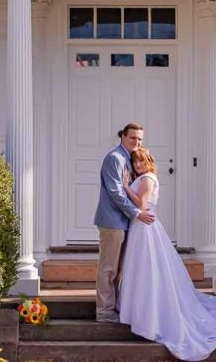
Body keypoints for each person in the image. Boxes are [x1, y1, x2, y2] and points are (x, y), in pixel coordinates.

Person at [118, 147, 216, 361]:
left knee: (149, 271)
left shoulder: (148, 179)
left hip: (145, 227)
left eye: (141, 162)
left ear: (148, 162)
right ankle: (142, 314)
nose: (138, 165)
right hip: (140, 226)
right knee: (143, 271)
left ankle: (151, 317)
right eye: (135, 162)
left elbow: (141, 204)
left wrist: (125, 186)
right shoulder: (143, 177)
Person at [95, 122, 153, 323]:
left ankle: (118, 307)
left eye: (139, 139)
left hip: (126, 222)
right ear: (123, 137)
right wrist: (137, 213)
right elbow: (115, 192)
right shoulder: (115, 159)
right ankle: (104, 312)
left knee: (121, 270)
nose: (136, 142)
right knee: (108, 268)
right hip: (112, 222)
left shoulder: (131, 159)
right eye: (132, 138)